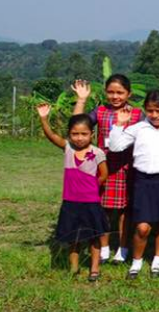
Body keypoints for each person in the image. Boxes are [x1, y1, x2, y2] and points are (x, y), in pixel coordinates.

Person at [108, 90, 159, 279]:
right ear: (145, 110)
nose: (155, 115)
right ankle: (137, 262)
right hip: (142, 181)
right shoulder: (138, 128)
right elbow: (116, 146)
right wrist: (119, 124)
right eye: (150, 111)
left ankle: (157, 260)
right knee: (142, 227)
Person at [72, 75, 143, 265]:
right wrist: (81, 99)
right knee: (101, 207)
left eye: (120, 92)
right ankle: (103, 246)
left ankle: (123, 246)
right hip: (102, 165)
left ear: (129, 93)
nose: (115, 96)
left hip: (127, 166)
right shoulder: (101, 112)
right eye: (111, 92)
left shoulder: (137, 114)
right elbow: (78, 123)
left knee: (124, 211)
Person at [36, 103, 109, 281]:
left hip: (91, 202)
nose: (79, 138)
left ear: (91, 134)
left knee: (93, 237)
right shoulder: (68, 148)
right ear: (69, 134)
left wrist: (91, 188)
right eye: (75, 134)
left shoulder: (97, 153)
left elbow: (104, 174)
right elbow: (51, 136)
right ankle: (74, 268)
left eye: (84, 134)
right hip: (70, 202)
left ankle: (94, 269)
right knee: (73, 238)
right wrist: (43, 118)